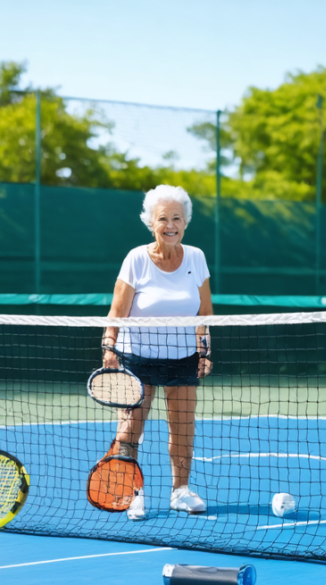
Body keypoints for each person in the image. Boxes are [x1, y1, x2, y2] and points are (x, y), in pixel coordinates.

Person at [102, 185, 214, 521]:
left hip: (183, 358)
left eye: (176, 218)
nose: (170, 225)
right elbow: (117, 311)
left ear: (186, 222)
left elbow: (205, 313)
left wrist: (204, 351)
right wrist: (109, 346)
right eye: (162, 218)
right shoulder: (136, 259)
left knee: (183, 427)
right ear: (151, 222)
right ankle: (132, 491)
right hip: (138, 357)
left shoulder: (195, 257)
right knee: (130, 429)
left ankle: (181, 490)